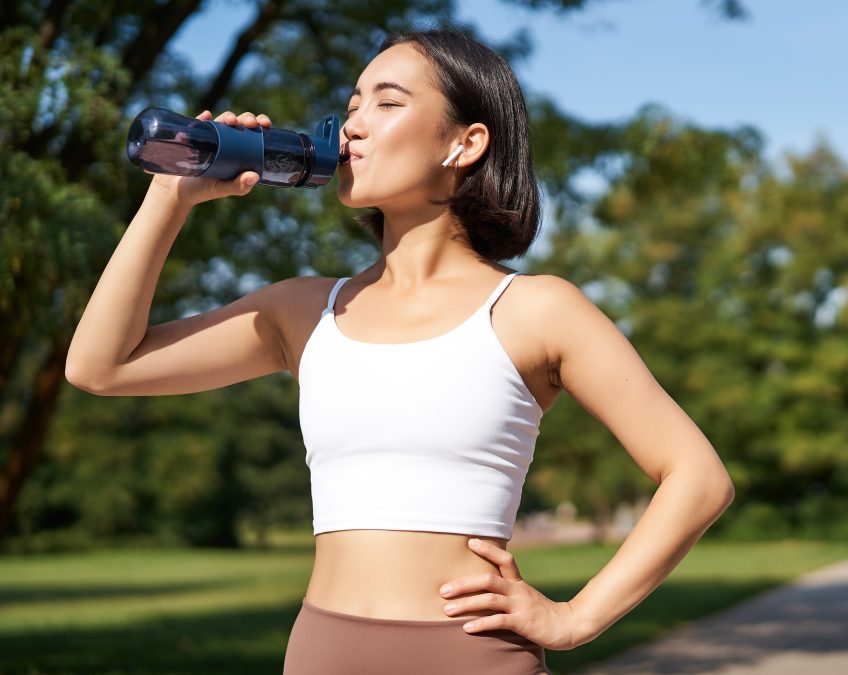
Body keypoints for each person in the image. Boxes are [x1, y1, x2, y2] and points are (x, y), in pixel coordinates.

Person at [65, 27, 735, 674]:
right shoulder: (304, 311)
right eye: (352, 105)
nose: (352, 124)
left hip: (470, 657)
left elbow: (697, 477)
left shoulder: (536, 309)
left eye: (387, 102)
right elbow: (101, 366)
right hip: (322, 653)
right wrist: (169, 197)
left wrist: (576, 617)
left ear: (464, 143)